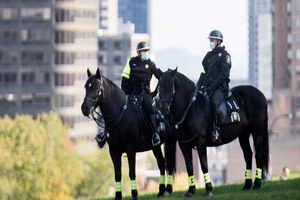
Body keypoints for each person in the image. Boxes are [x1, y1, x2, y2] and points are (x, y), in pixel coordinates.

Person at [121, 41, 163, 146]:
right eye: (144, 51)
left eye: (147, 51)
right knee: (120, 108)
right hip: (131, 92)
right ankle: (107, 133)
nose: (146, 53)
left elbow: (160, 78)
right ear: (139, 52)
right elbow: (125, 77)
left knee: (149, 109)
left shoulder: (151, 64)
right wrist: (125, 92)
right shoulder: (131, 62)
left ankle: (154, 134)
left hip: (145, 93)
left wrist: (155, 91)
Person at [196, 30, 231, 143]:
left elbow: (224, 75)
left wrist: (213, 87)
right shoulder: (208, 56)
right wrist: (197, 87)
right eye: (210, 40)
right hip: (207, 87)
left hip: (220, 88)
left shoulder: (225, 56)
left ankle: (216, 130)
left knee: (214, 104)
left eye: (213, 40)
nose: (211, 42)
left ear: (219, 41)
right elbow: (204, 72)